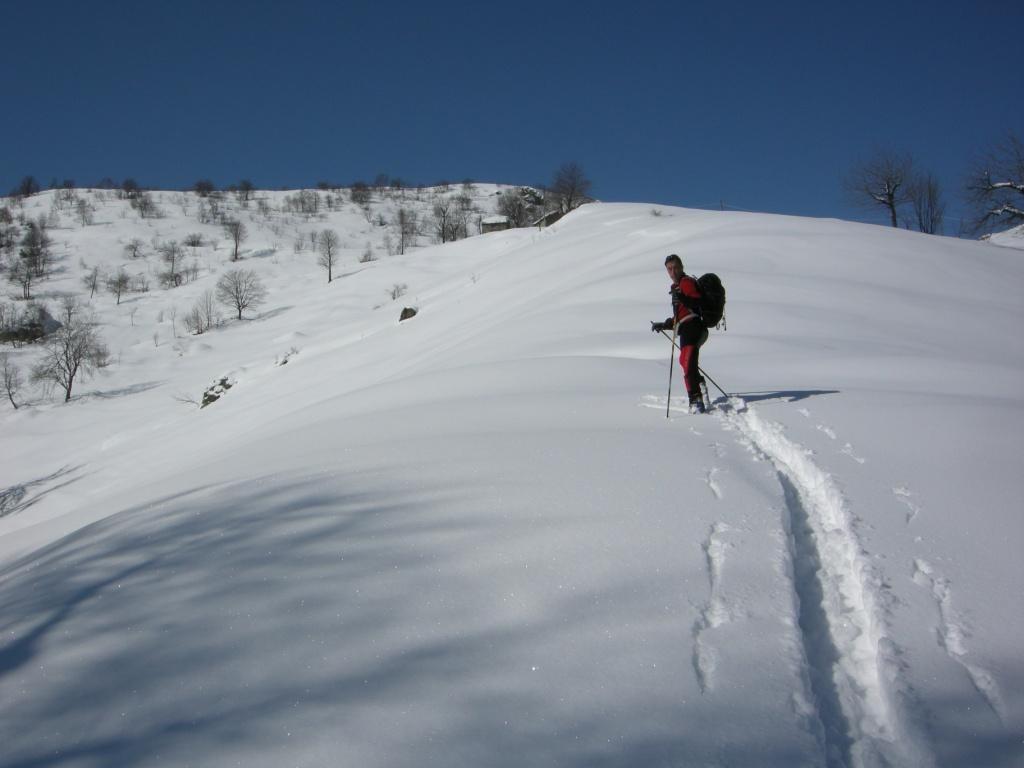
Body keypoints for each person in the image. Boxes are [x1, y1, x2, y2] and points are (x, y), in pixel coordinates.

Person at [651, 254, 708, 413]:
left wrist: (681, 297)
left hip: (694, 327)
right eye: (669, 269)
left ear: (682, 267)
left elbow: (697, 302)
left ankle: (696, 400)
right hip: (685, 329)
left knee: (688, 362)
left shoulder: (687, 282)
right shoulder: (675, 288)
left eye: (675, 267)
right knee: (685, 362)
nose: (673, 271)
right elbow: (680, 314)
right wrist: (665, 324)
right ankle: (700, 385)